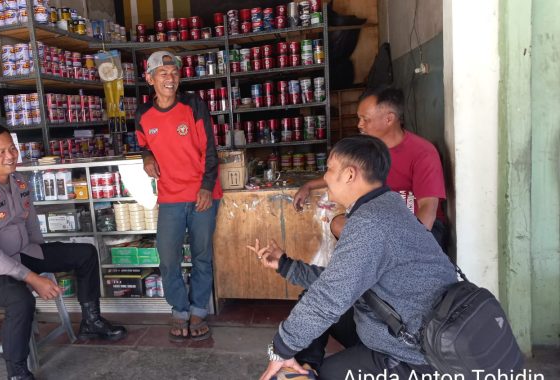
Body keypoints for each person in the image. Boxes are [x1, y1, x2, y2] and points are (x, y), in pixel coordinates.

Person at [249, 135, 457, 379]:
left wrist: (280, 349)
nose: (325, 177)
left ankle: (300, 371)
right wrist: (285, 264)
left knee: (314, 354)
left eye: (329, 169)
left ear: (349, 174)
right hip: (397, 324)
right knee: (311, 302)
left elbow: (328, 298)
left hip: (413, 353)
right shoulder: (387, 205)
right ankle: (302, 368)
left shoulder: (370, 224)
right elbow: (337, 283)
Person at [0, 124, 126, 380]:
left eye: (12, 149)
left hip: (25, 252)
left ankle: (91, 321)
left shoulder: (19, 182)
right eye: (0, 152)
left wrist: (43, 259)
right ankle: (17, 372)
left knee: (85, 253)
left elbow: (31, 224)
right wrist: (33, 278)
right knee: (21, 300)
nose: (10, 156)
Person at [135, 50, 223, 342]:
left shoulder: (194, 105)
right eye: (163, 74)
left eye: (174, 73)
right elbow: (143, 143)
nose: (169, 78)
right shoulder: (143, 114)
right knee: (169, 256)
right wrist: (146, 156)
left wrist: (207, 187)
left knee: (201, 255)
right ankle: (179, 309)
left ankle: (198, 308)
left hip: (202, 194)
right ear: (150, 79)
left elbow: (210, 148)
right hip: (170, 196)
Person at [293, 87, 447, 246]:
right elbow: (342, 173)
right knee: (338, 224)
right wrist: (309, 185)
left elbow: (428, 208)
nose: (360, 124)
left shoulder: (422, 152)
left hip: (417, 225)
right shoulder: (369, 149)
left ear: (389, 119)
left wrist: (412, 245)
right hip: (384, 222)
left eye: (365, 119)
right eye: (359, 118)